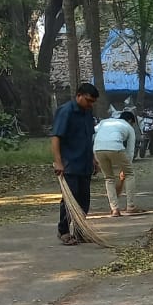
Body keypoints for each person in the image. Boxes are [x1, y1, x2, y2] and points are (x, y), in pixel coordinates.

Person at [50, 83, 98, 245]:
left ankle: (80, 230)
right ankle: (63, 230)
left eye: (93, 102)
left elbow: (88, 138)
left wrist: (93, 158)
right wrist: (58, 161)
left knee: (84, 200)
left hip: (84, 163)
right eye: (88, 100)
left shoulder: (87, 112)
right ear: (79, 95)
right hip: (70, 163)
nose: (90, 104)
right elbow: (56, 137)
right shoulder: (66, 111)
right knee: (71, 200)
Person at [93, 110, 142, 217]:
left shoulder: (104, 122)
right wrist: (125, 169)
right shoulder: (129, 127)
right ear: (130, 120)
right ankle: (131, 206)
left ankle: (114, 209)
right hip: (116, 147)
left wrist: (93, 157)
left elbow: (94, 133)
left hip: (98, 148)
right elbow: (130, 150)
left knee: (109, 178)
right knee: (130, 174)